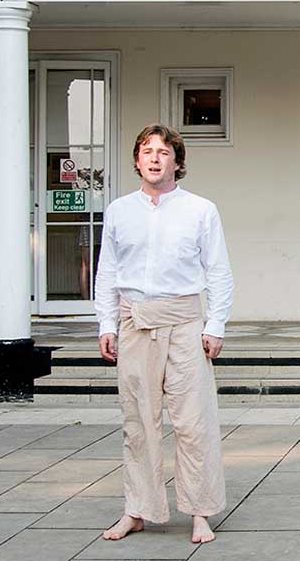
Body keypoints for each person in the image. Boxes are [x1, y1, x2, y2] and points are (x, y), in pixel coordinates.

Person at [94, 124, 234, 543]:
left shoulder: (200, 210)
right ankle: (138, 509)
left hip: (186, 323)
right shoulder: (120, 210)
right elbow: (109, 272)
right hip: (135, 322)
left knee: (193, 422)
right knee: (138, 422)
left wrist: (215, 325)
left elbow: (219, 272)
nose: (155, 158)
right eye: (146, 151)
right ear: (137, 160)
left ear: (177, 161)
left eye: (163, 152)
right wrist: (107, 323)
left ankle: (200, 512)